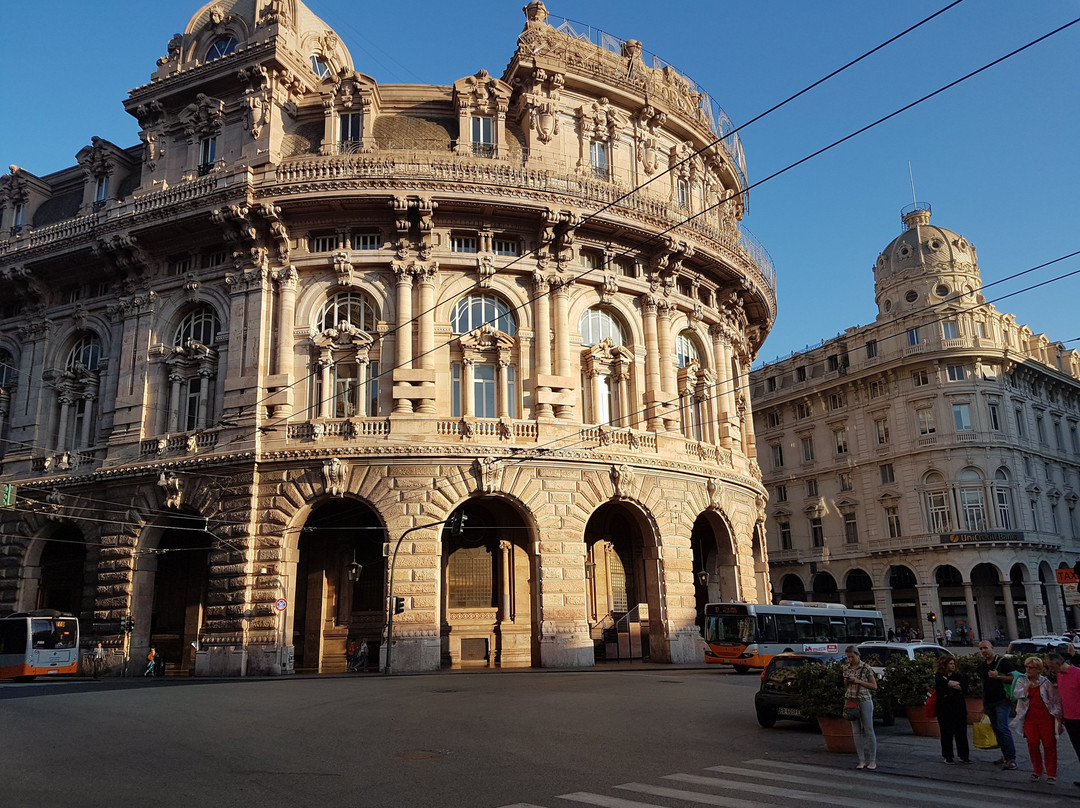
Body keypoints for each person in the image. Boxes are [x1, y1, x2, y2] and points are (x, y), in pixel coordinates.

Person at [1010, 656, 1062, 784]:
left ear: (1038, 670)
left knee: (1049, 745)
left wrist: (1058, 718)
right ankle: (1037, 770)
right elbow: (1017, 695)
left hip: (1046, 718)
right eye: (1026, 667)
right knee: (1032, 744)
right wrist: (1027, 686)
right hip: (1029, 718)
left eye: (1030, 667)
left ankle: (1051, 773)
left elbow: (1055, 701)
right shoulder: (1022, 681)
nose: (1027, 670)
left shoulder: (1045, 682)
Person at [977, 639, 1018, 769]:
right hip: (989, 702)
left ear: (992, 648)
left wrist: (998, 677)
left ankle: (1011, 758)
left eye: (985, 648)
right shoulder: (983, 666)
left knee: (1002, 728)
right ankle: (1005, 755)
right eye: (981, 649)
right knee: (996, 729)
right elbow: (984, 685)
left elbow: (1014, 678)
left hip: (1002, 701)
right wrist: (983, 704)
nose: (983, 651)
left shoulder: (1002, 662)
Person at [843, 645, 878, 770]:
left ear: (858, 655)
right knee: (856, 731)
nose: (850, 659)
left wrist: (858, 681)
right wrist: (847, 681)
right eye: (848, 657)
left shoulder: (866, 668)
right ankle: (861, 759)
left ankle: (873, 760)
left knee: (868, 729)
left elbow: (874, 686)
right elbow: (845, 685)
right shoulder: (846, 667)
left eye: (852, 657)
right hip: (851, 700)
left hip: (864, 700)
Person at [1048, 653, 1080, 789]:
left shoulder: (1077, 673)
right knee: (1078, 749)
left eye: (1050, 666)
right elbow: (1062, 697)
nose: (1049, 669)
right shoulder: (1060, 675)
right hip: (1069, 718)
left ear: (1057, 663)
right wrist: (1060, 720)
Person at [935, 656, 971, 764]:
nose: (953, 666)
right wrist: (951, 684)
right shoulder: (939, 676)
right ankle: (948, 755)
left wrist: (952, 684)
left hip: (959, 707)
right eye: (950, 664)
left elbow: (964, 687)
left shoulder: (958, 675)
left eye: (953, 663)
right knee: (946, 732)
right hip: (945, 708)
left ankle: (964, 755)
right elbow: (944, 683)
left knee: (961, 732)